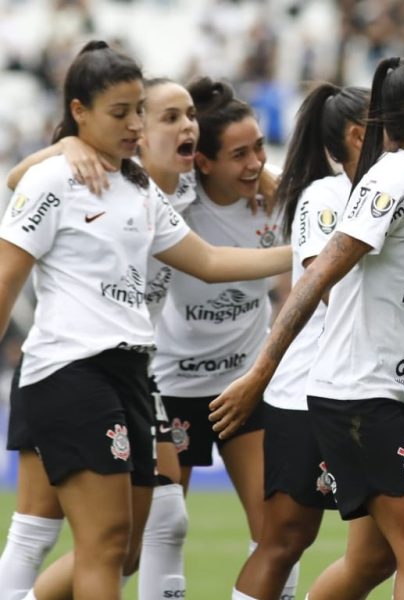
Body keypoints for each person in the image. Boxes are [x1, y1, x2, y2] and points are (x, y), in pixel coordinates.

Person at [0, 41, 290, 600]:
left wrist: (311, 253)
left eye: (139, 111)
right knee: (87, 540)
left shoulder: (143, 190)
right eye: (124, 113)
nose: (135, 124)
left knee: (128, 543)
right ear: (80, 112)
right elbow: (8, 270)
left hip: (134, 374)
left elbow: (208, 261)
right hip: (72, 369)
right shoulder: (56, 178)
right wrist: (63, 146)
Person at [209, 55, 404, 600]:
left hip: (394, 391)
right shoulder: (391, 181)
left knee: (383, 553)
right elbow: (317, 279)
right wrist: (259, 374)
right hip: (357, 392)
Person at [149, 75, 288, 596]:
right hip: (171, 388)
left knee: (278, 532)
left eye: (258, 149)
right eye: (238, 154)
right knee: (161, 531)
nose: (255, 163)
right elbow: (209, 265)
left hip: (244, 386)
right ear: (201, 163)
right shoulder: (171, 199)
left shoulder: (279, 198)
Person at [231, 82, 369, 600]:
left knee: (393, 544)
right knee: (286, 538)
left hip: (374, 390)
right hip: (308, 391)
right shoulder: (325, 196)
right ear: (357, 136)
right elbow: (326, 286)